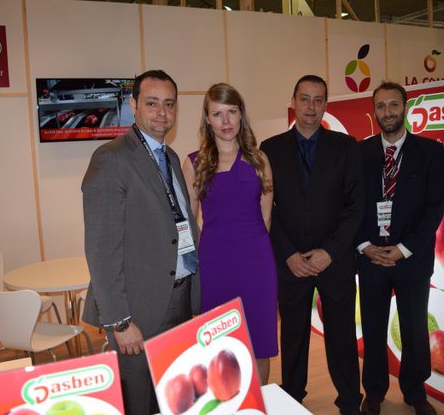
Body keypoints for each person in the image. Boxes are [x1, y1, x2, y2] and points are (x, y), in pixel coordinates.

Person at [81, 70, 200, 415]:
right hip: (138, 311)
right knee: (139, 403)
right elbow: (102, 251)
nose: (162, 112)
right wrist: (119, 322)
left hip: (180, 300)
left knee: (173, 399)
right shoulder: (111, 159)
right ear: (133, 105)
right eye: (152, 103)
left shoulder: (171, 157)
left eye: (169, 104)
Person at [260, 75, 364, 414]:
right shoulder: (270, 149)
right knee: (293, 335)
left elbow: (355, 206)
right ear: (293, 102)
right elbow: (266, 208)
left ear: (326, 105)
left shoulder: (346, 147)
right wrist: (288, 253)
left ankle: (349, 401)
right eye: (305, 99)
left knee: (342, 336)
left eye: (318, 100)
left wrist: (330, 251)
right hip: (290, 261)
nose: (311, 107)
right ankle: (293, 397)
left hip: (335, 261)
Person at [356, 81, 444, 415]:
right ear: (374, 111)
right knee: (373, 326)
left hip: (412, 259)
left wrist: (404, 248)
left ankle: (415, 391)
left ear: (405, 108)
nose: (388, 112)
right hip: (371, 257)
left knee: (414, 327)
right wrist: (364, 245)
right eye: (381, 106)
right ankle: (374, 391)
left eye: (394, 105)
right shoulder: (360, 153)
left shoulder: (430, 151)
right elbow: (350, 204)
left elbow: (435, 208)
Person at [182, 83, 277, 384]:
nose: (225, 121)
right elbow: (188, 223)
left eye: (231, 112)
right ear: (207, 119)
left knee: (259, 344)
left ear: (241, 115)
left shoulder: (260, 160)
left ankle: (258, 403)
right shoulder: (194, 164)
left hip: (256, 263)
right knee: (218, 347)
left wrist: (251, 251)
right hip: (214, 264)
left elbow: (266, 217)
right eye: (217, 114)